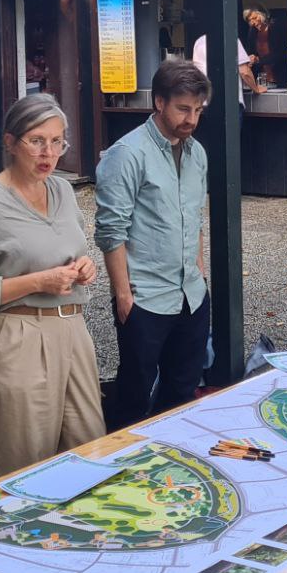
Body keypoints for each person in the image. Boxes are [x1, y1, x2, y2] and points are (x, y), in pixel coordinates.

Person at [0, 94, 105, 476]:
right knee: (28, 469)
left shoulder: (63, 191)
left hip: (73, 332)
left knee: (91, 457)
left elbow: (71, 248)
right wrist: (38, 281)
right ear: (10, 142)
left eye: (57, 141)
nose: (48, 152)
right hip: (16, 337)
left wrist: (85, 268)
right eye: (36, 140)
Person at [95, 58, 211, 429]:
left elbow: (194, 219)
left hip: (190, 294)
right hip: (144, 295)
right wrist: (123, 294)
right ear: (159, 102)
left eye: (197, 110)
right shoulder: (127, 154)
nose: (191, 118)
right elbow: (111, 229)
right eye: (182, 108)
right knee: (135, 393)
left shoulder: (198, 154)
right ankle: (121, 469)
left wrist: (201, 274)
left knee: (182, 391)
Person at [191, 32, 263, 118]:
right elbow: (245, 72)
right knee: (231, 131)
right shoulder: (230, 39)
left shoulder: (199, 42)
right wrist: (256, 89)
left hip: (205, 101)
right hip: (229, 102)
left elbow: (196, 72)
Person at [243, 5, 287, 87]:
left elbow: (281, 53)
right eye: (249, 20)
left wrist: (258, 60)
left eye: (254, 18)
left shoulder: (276, 28)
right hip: (262, 78)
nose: (252, 22)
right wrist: (250, 58)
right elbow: (250, 51)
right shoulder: (252, 32)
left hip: (281, 76)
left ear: (263, 15)